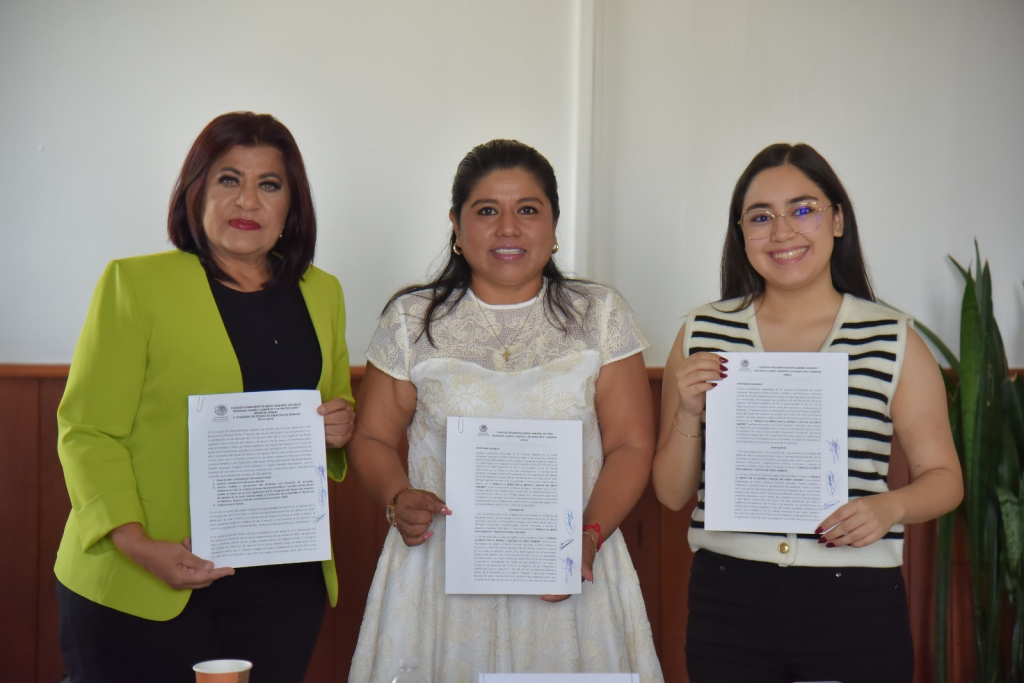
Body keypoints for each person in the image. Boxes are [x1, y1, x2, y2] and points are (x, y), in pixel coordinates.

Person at [347, 139, 664, 682]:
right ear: (456, 224)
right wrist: (397, 498)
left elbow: (630, 445)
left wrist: (588, 537)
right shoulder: (411, 320)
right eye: (487, 211)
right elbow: (372, 437)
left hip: (572, 565)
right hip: (441, 569)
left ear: (554, 224)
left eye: (528, 210)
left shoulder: (600, 314)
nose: (509, 228)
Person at [54, 112, 355, 683]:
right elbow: (88, 430)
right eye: (228, 179)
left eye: (270, 184)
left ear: (292, 205)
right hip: (145, 575)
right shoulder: (134, 284)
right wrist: (136, 543)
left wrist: (339, 426)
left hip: (281, 585)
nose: (248, 201)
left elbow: (333, 404)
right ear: (196, 190)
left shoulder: (323, 292)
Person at [651, 143, 964, 683]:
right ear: (740, 233)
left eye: (803, 209)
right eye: (760, 217)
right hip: (729, 597)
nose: (783, 232)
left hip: (854, 603)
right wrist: (686, 408)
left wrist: (888, 507)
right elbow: (671, 493)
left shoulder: (892, 339)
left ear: (837, 220)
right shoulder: (703, 331)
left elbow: (946, 479)